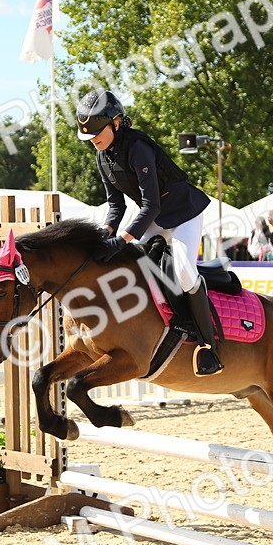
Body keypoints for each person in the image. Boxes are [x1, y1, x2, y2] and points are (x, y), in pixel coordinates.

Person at [76, 88, 221, 376]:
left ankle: (208, 347)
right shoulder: (103, 156)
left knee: (183, 271)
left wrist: (124, 239)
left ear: (116, 123)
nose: (93, 140)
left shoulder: (138, 147)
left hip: (183, 214)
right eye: (88, 136)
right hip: (152, 216)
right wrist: (106, 234)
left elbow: (152, 204)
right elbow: (115, 206)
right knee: (127, 263)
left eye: (97, 132)